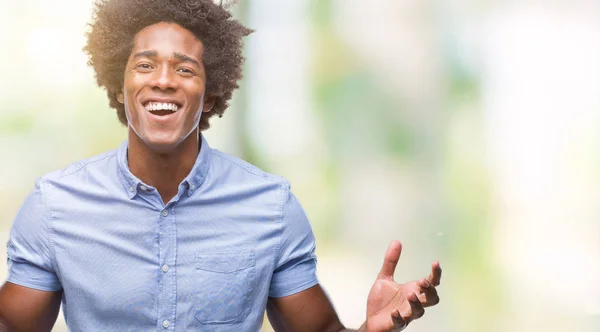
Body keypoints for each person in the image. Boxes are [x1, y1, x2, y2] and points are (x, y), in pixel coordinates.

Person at [0, 0, 442, 331]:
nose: (163, 79)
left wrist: (371, 327)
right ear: (120, 86)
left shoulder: (270, 206)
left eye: (185, 69)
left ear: (210, 95)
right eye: (145, 65)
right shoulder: (55, 206)